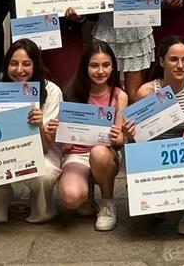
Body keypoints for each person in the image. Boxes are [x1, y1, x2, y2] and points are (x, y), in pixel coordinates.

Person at [125, 36, 184, 235]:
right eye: (174, 60)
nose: (180, 65)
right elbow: (136, 142)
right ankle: (160, 199)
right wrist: (131, 134)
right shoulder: (146, 92)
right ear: (162, 61)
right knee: (149, 206)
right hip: (158, 159)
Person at [0, 39, 64, 225]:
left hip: (41, 151)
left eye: (26, 64)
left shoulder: (52, 91)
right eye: (14, 63)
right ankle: (0, 201)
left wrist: (39, 125)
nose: (19, 70)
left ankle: (42, 209)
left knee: (44, 172)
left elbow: (47, 146)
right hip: (3, 152)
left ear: (36, 65)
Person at [45, 41, 128, 231]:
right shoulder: (71, 92)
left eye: (105, 65)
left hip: (105, 154)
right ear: (85, 67)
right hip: (77, 154)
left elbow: (121, 142)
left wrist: (117, 136)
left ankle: (107, 203)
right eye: (94, 65)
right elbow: (65, 145)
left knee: (99, 152)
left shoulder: (119, 95)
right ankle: (86, 194)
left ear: (113, 67)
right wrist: (57, 131)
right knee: (71, 198)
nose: (100, 71)